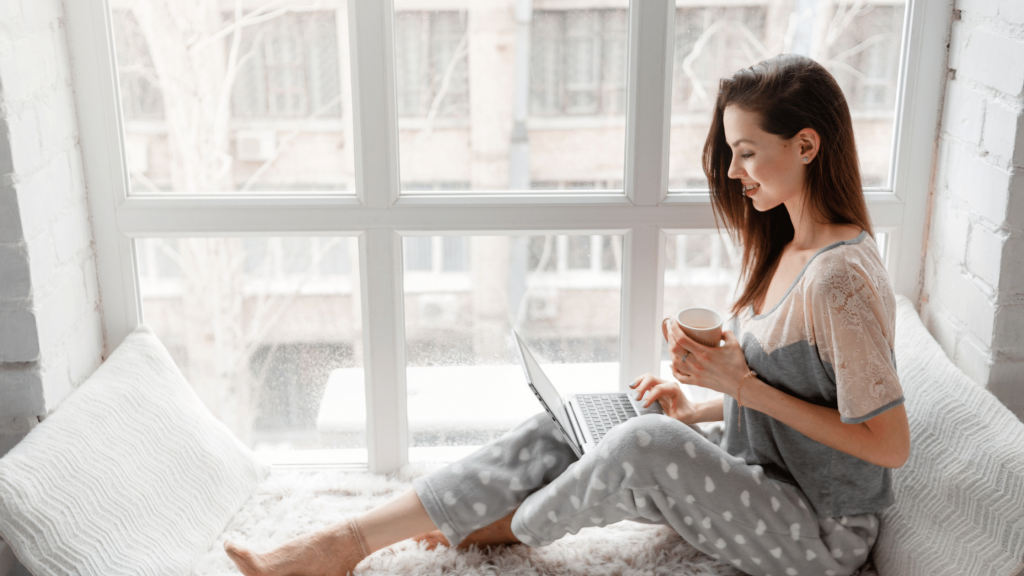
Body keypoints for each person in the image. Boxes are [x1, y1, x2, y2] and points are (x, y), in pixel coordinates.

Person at [224, 54, 911, 576]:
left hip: (819, 534)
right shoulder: (787, 246)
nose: (733, 172)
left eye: (747, 153)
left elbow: (887, 444)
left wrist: (738, 388)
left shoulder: (841, 278)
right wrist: (698, 403)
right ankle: (343, 541)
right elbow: (789, 401)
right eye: (730, 154)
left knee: (641, 446)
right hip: (756, 474)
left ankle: (490, 525)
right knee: (589, 417)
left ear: (807, 146)